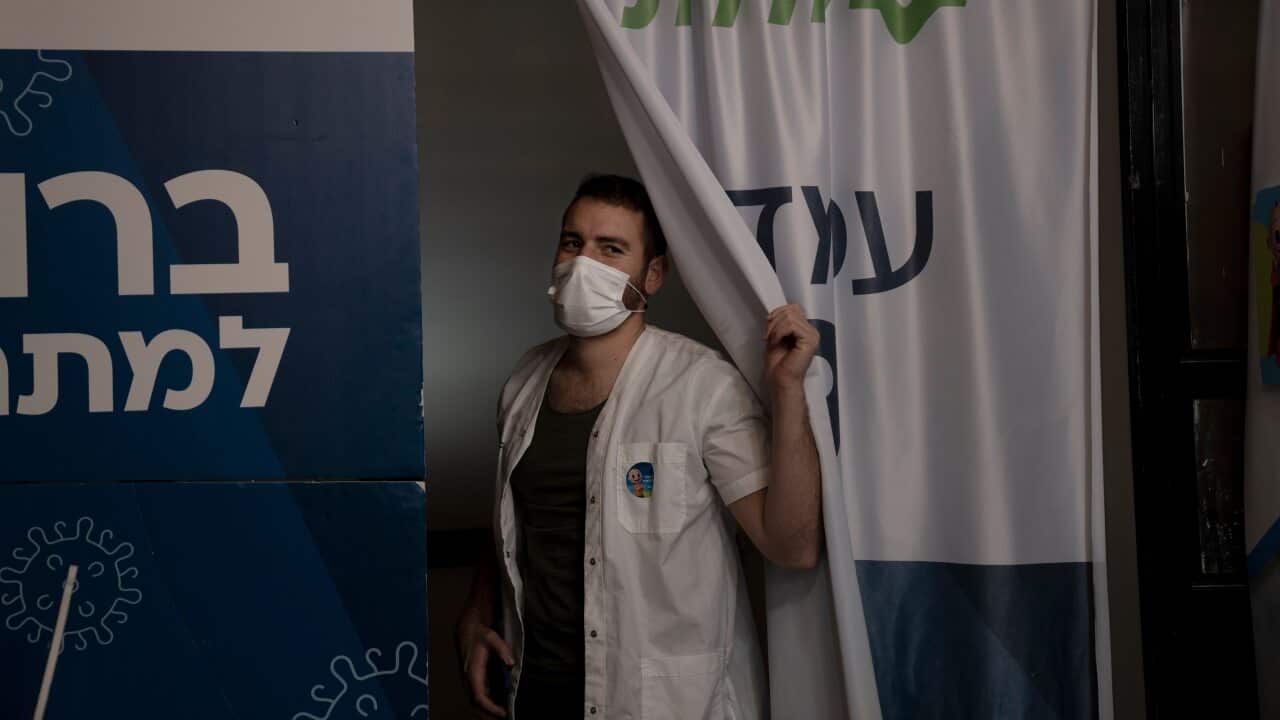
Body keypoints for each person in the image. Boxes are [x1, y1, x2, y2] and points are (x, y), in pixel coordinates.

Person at [455, 174, 823, 719]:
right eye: (572, 242)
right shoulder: (524, 381)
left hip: (664, 704)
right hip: (536, 693)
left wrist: (788, 390)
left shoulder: (701, 385)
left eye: (612, 249)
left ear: (652, 274)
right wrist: (474, 617)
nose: (584, 264)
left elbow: (791, 545)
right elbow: (515, 522)